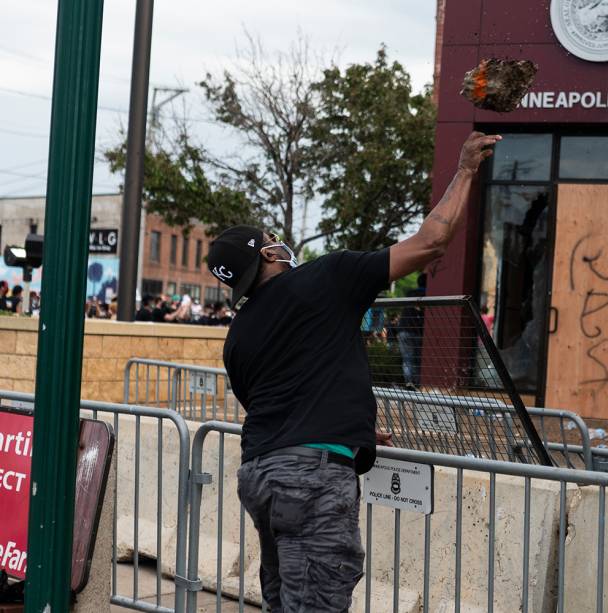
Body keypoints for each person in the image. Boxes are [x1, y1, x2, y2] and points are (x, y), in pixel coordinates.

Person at [207, 131, 500, 611]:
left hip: (260, 475)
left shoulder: (237, 334)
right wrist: (465, 167)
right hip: (310, 478)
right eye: (273, 241)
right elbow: (432, 241)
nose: (281, 244)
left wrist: (354, 429)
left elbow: (277, 402)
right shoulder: (326, 277)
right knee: (318, 601)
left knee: (286, 601)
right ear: (265, 254)